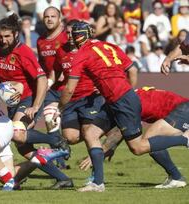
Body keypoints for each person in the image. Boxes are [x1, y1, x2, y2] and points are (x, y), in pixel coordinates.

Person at [61, 21, 189, 192]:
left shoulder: (81, 53)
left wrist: (59, 108)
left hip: (123, 100)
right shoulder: (110, 46)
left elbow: (69, 88)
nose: (69, 38)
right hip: (120, 98)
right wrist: (123, 88)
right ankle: (97, 183)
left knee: (138, 147)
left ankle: (185, 140)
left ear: (79, 36)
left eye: (72, 34)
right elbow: (132, 69)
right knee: (91, 133)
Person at [0, 13, 73, 189]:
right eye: (0, 37)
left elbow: (41, 79)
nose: (3, 40)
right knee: (24, 149)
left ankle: (55, 141)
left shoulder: (23, 52)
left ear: (16, 34)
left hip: (29, 98)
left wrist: (36, 106)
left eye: (7, 36)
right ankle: (63, 179)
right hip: (12, 103)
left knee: (17, 133)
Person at [79, 87, 189, 189]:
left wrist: (99, 152)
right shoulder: (125, 95)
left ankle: (177, 174)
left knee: (147, 142)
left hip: (183, 110)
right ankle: (175, 176)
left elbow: (121, 130)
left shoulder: (122, 102)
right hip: (180, 109)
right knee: (149, 142)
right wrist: (108, 149)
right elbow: (124, 128)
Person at [36, 7, 69, 168]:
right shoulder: (40, 40)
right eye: (46, 17)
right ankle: (59, 159)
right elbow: (42, 65)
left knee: (73, 129)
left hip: (69, 88)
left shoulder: (66, 37)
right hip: (52, 88)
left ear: (59, 18)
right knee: (50, 119)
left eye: (53, 16)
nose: (49, 19)